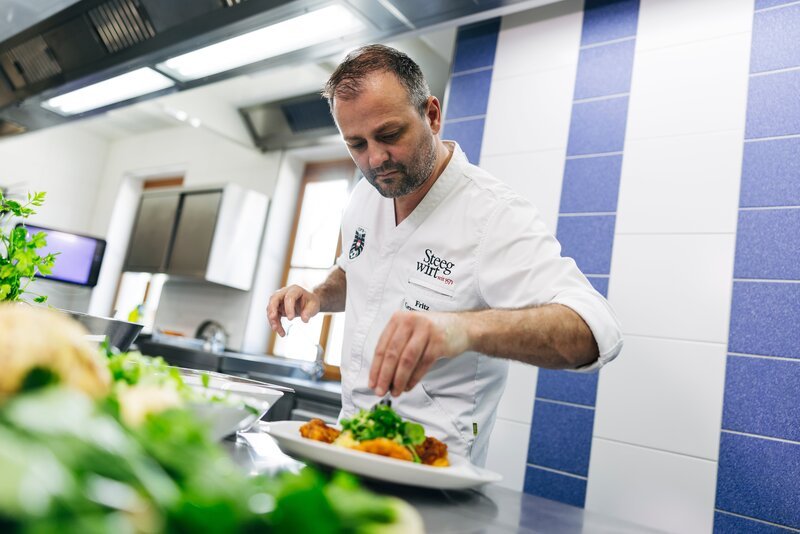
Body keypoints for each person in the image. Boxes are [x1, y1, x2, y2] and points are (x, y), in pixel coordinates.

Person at [267, 44, 622, 466]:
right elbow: (358, 268)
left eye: (390, 134)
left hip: (433, 467)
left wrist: (461, 330)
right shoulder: (366, 195)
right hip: (350, 441)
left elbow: (594, 330)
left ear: (432, 115)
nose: (375, 159)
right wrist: (318, 294)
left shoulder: (492, 213)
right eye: (356, 144)